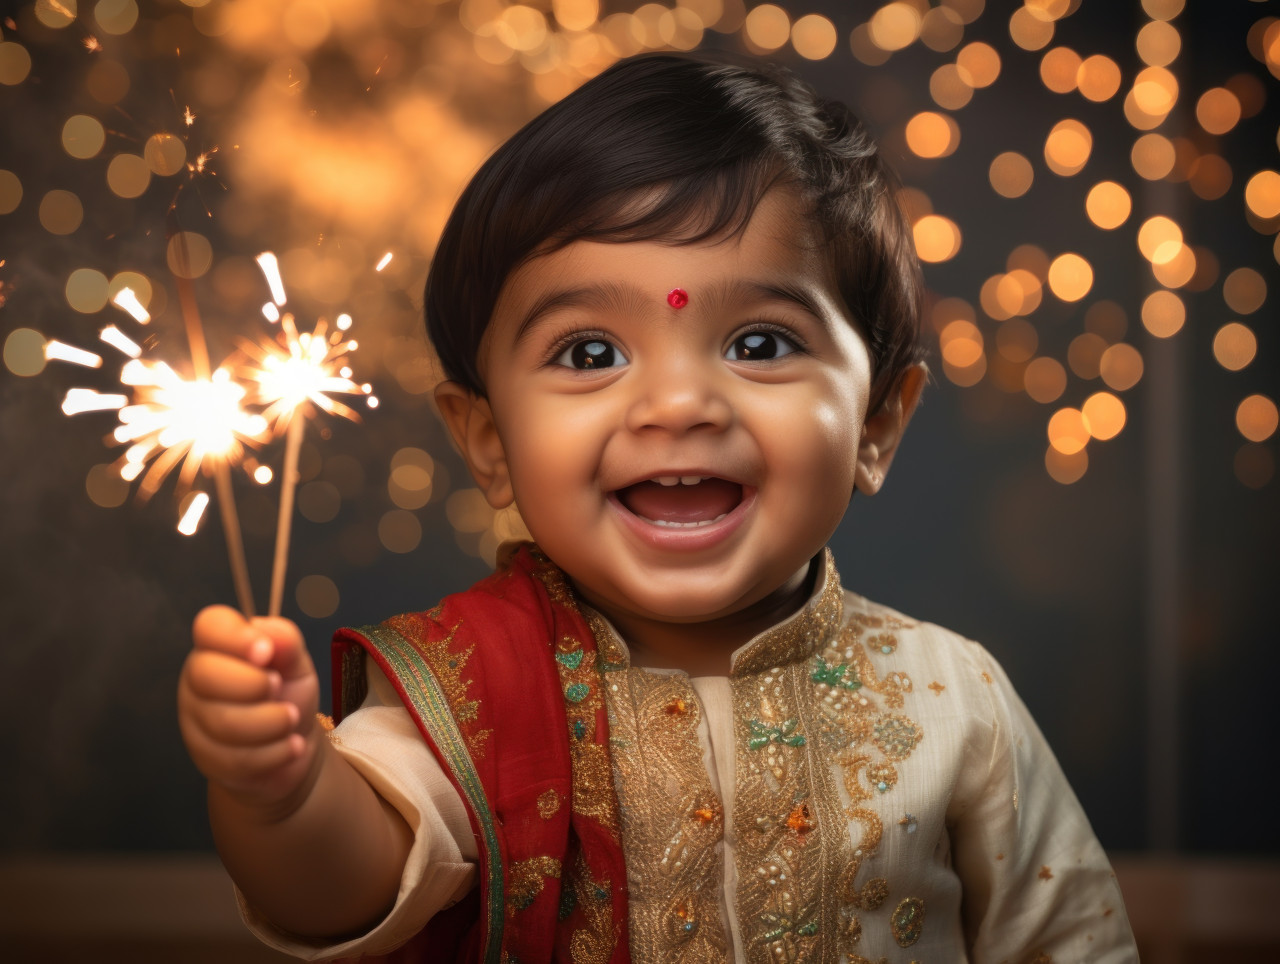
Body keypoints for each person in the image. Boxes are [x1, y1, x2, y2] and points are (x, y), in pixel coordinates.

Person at [178, 53, 1138, 963]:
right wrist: (281, 794)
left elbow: (1075, 941)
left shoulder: (951, 697)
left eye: (760, 343)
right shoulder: (465, 695)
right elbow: (347, 890)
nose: (680, 404)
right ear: (488, 442)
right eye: (589, 353)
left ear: (879, 421)